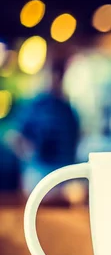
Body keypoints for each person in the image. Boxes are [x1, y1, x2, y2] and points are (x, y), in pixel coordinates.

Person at [6, 58, 79, 200]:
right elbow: (14, 136)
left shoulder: (67, 108)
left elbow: (75, 138)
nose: (56, 79)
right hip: (39, 171)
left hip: (64, 173)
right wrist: (29, 158)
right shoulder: (35, 105)